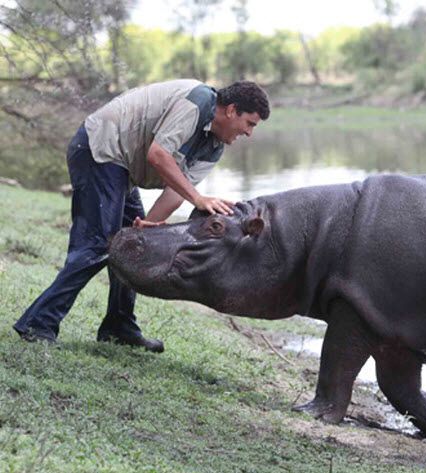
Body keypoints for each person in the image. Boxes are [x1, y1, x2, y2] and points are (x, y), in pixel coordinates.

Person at [13, 79, 270, 352]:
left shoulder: (215, 145)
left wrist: (149, 226)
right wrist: (197, 198)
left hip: (122, 169)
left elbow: (175, 190)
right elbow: (158, 155)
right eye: (250, 123)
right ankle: (37, 324)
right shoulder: (197, 102)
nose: (250, 133)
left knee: (135, 245)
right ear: (231, 110)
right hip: (99, 150)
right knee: (96, 246)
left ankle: (119, 326)